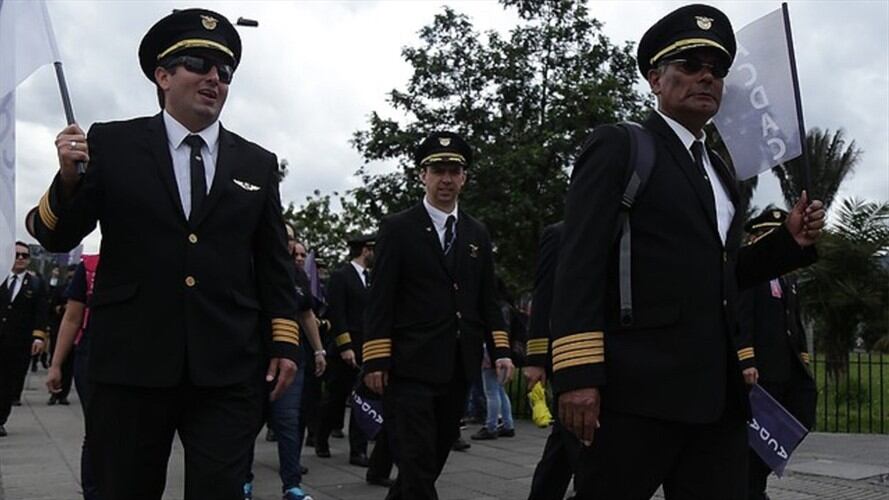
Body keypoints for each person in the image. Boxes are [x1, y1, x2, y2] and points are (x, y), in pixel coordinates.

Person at [550, 5, 826, 499]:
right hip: (637, 392)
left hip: (715, 397)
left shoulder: (721, 172)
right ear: (655, 79)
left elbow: (721, 275)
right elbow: (579, 263)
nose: (707, 76)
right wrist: (577, 374)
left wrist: (788, 242)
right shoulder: (620, 146)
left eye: (717, 69)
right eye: (691, 64)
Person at [25, 9, 300, 500]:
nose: (215, 77)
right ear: (163, 75)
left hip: (228, 366)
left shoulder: (255, 162)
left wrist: (284, 343)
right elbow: (56, 236)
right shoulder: (112, 143)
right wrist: (67, 181)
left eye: (225, 71)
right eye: (199, 62)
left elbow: (275, 264)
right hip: (131, 364)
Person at [363, 131, 515, 500]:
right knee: (416, 463)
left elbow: (487, 300)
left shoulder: (476, 232)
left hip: (457, 367)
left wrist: (501, 350)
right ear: (422, 175)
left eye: (454, 170)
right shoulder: (398, 228)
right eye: (437, 170)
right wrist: (375, 359)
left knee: (429, 462)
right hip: (410, 366)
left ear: (464, 177)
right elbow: (380, 298)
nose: (446, 178)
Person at [738, 208, 817, 500]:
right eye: (768, 234)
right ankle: (751, 488)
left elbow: (793, 322)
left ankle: (755, 481)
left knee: (800, 415)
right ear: (754, 238)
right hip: (762, 369)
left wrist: (803, 358)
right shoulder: (752, 274)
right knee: (756, 439)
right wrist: (746, 359)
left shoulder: (786, 279)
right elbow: (742, 317)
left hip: (787, 368)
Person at [245, 227, 327, 500]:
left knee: (289, 423)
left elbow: (306, 315)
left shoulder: (297, 275)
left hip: (291, 359)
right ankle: (243, 481)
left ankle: (292, 486)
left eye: (291, 238)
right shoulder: (250, 266)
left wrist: (318, 351)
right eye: (284, 238)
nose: (288, 244)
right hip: (255, 359)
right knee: (248, 423)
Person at [525, 221, 577, 500]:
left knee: (566, 442)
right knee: (574, 435)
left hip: (618, 354)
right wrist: (536, 358)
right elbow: (543, 297)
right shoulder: (560, 233)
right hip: (573, 352)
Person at [315, 233, 374, 465]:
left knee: (362, 399)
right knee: (335, 398)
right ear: (365, 250)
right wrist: (345, 345)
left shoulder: (371, 278)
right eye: (372, 250)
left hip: (366, 347)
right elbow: (336, 313)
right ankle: (320, 438)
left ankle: (358, 451)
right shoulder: (342, 276)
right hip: (345, 349)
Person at [46, 255, 101, 500]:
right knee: (97, 430)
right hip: (92, 355)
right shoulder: (88, 267)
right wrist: (56, 364)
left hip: (140, 354)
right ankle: (94, 493)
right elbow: (72, 317)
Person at [0, 242, 48, 436]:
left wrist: (38, 337)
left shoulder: (35, 283)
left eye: (25, 256)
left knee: (7, 382)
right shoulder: (1, 278)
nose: (20, 259)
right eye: (17, 255)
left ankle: (0, 419)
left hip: (18, 341)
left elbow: (41, 313)